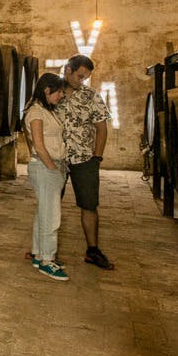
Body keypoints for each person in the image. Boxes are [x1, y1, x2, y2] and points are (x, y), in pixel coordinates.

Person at [56, 54, 114, 270]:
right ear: (67, 69)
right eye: (79, 76)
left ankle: (93, 251)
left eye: (86, 78)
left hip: (84, 159)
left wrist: (96, 158)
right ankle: (44, 249)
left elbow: (101, 128)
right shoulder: (52, 91)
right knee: (50, 204)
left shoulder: (91, 96)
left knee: (89, 205)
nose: (82, 81)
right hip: (56, 159)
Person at [24, 73, 69, 281]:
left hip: (49, 167)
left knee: (43, 212)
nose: (62, 95)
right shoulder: (36, 112)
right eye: (59, 91)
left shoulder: (45, 110)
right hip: (44, 168)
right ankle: (47, 261)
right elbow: (39, 145)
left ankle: (38, 254)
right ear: (46, 90)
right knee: (51, 216)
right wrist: (53, 168)